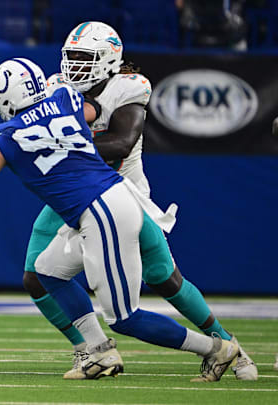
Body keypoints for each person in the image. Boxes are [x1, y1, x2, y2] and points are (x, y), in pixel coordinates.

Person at [0, 56, 240, 382]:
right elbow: (93, 110)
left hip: (102, 211)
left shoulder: (6, 137)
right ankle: (99, 350)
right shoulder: (66, 101)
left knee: (124, 318)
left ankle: (216, 349)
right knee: (47, 271)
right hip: (110, 199)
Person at [18, 21, 256, 381]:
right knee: (36, 277)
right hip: (70, 196)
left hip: (121, 195)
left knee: (164, 279)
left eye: (85, 57)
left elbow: (121, 143)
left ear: (108, 59)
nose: (75, 65)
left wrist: (59, 142)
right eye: (72, 56)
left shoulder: (128, 88)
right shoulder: (58, 89)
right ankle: (88, 349)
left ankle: (228, 345)